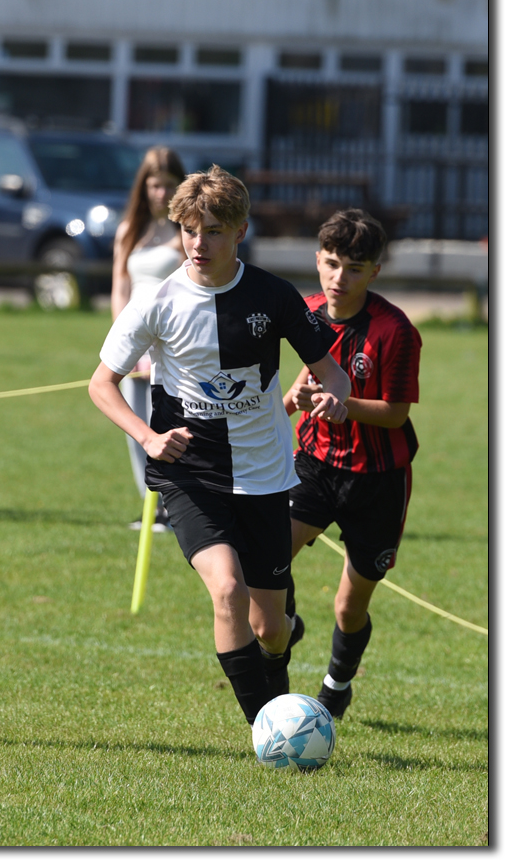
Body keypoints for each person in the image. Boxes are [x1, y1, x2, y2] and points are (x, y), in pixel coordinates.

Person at [88, 165, 351, 729]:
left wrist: (334, 398)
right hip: (190, 475)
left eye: (211, 230)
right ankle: (267, 727)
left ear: (240, 231)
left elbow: (330, 372)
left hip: (263, 473)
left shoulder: (273, 296)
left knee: (271, 630)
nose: (197, 243)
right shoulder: (158, 301)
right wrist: (148, 437)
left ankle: (279, 695)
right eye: (188, 229)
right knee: (226, 588)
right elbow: (101, 384)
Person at [282, 209, 421, 719]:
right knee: (268, 552)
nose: (340, 278)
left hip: (378, 480)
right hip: (315, 462)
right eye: (332, 264)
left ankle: (337, 684)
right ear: (317, 261)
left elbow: (396, 413)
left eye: (355, 268)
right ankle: (287, 624)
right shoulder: (309, 312)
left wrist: (347, 405)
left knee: (349, 604)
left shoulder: (395, 331)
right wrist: (292, 399)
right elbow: (310, 370)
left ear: (374, 272)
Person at [110, 146, 187, 532]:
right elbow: (120, 290)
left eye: (168, 185)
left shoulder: (187, 232)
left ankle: (174, 504)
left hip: (171, 342)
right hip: (134, 342)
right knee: (135, 425)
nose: (160, 193)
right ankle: (150, 504)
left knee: (167, 421)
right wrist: (122, 346)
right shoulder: (129, 230)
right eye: (154, 185)